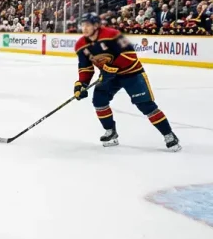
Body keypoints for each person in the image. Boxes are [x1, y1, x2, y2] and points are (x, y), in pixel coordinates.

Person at [74, 13, 181, 151]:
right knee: (99, 100)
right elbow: (85, 67)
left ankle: (169, 134)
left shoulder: (112, 35)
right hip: (110, 77)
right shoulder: (81, 45)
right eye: (83, 25)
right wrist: (81, 84)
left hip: (131, 73)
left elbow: (130, 55)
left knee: (145, 105)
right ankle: (110, 131)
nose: (84, 28)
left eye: (88, 25)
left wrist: (110, 68)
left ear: (96, 25)